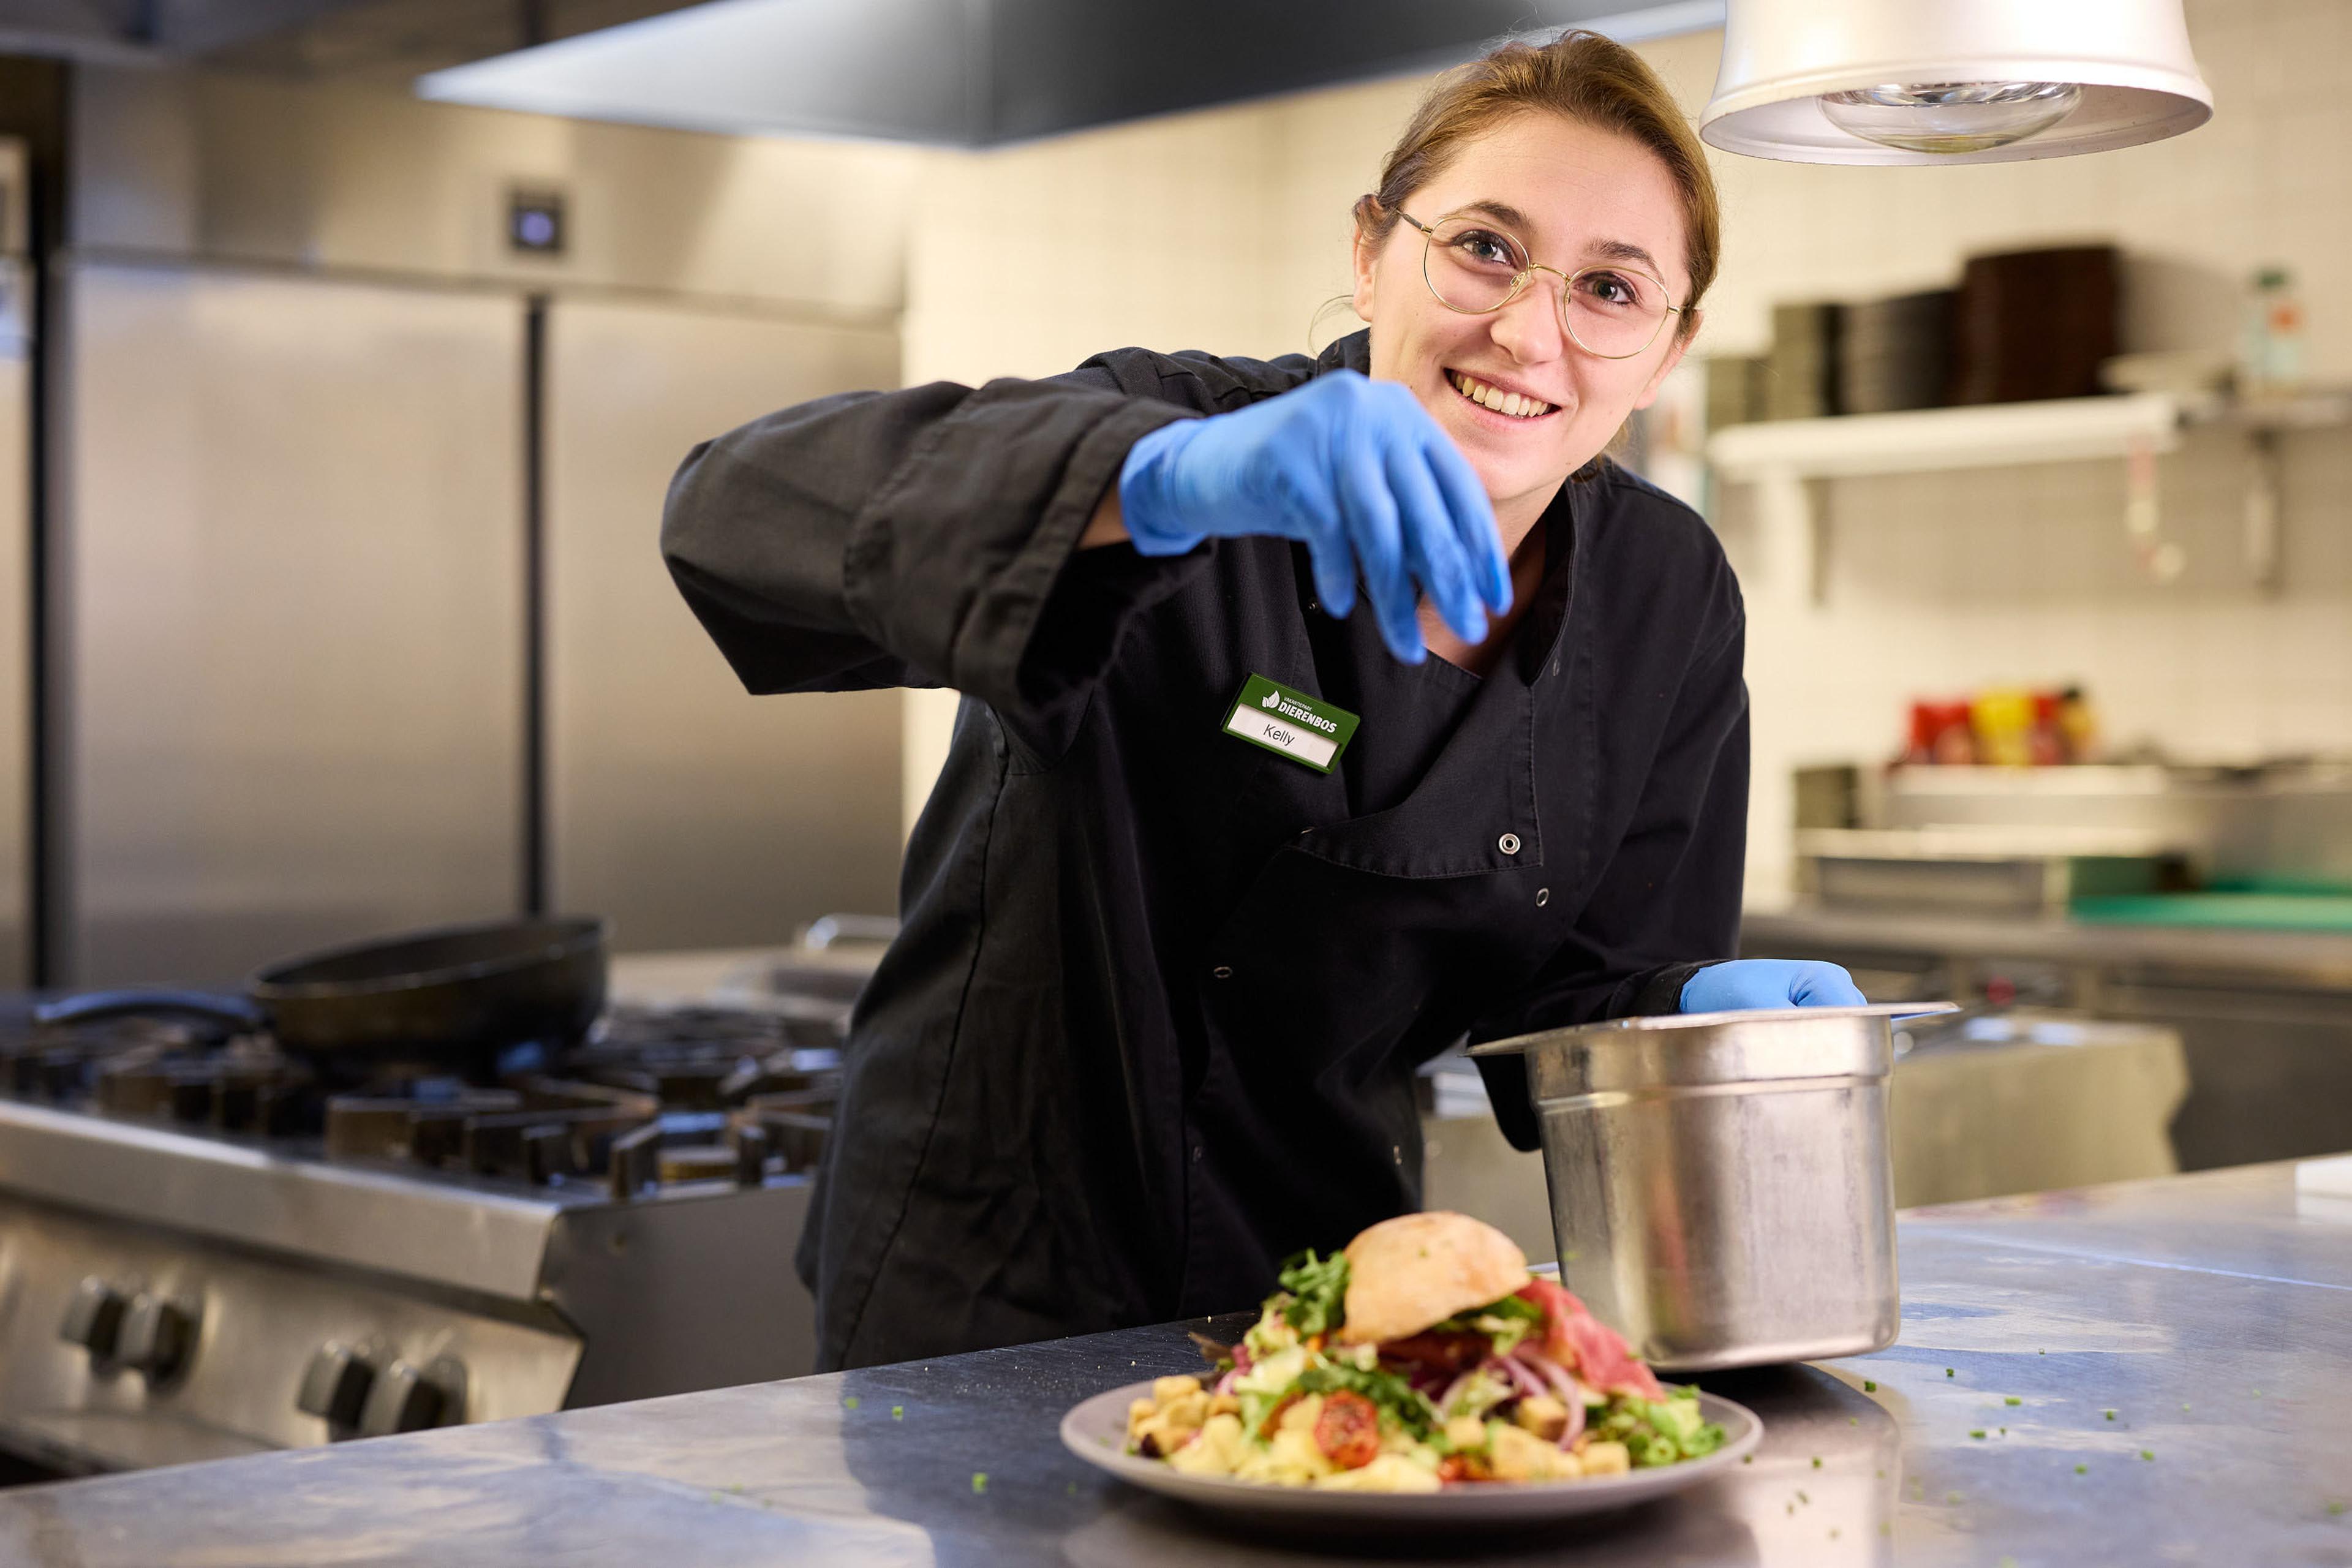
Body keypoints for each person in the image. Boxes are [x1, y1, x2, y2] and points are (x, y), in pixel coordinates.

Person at [662, 28, 1864, 1373]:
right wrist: (1159, 485)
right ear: (1370, 250)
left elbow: (1581, 1017)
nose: (1530, 328)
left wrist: (1691, 1007)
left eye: (1610, 288)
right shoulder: (1183, 437)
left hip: (1327, 1289)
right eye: (1482, 246)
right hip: (996, 1288)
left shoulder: (1666, 592)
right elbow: (731, 519)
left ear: (1668, 348)